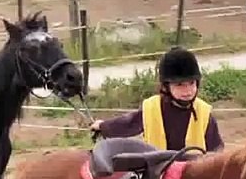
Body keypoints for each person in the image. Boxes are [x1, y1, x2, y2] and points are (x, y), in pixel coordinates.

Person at [90, 46, 222, 152]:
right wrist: (103, 126)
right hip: (157, 172)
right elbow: (128, 124)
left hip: (193, 175)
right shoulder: (152, 108)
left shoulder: (204, 113)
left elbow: (217, 150)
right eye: (179, 85)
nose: (187, 91)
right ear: (166, 86)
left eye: (192, 83)